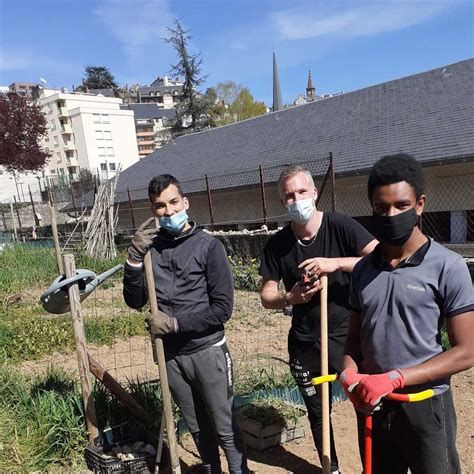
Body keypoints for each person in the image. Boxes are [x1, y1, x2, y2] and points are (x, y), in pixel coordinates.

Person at [341, 153, 474, 473]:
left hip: (425, 404)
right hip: (373, 403)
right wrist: (347, 375)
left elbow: (467, 351)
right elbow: (354, 340)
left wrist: (396, 378)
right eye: (381, 207)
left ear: (420, 205)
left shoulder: (448, 267)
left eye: (401, 205)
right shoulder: (362, 270)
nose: (390, 214)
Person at [123, 174, 249, 474]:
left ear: (185, 202)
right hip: (170, 356)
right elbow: (134, 300)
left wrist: (175, 324)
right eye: (160, 206)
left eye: (173, 202)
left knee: (224, 426)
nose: (168, 211)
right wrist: (134, 261)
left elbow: (222, 309)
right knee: (196, 427)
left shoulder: (208, 247)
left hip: (207, 351)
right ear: (153, 211)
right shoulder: (151, 250)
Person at [259, 165, 377, 473]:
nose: (296, 199)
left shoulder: (340, 226)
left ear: (314, 193)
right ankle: (331, 468)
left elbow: (379, 259)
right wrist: (290, 297)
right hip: (305, 340)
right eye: (288, 195)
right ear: (282, 202)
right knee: (317, 412)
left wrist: (335, 263)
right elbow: (266, 295)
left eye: (301, 192)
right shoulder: (277, 244)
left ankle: (372, 468)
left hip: (347, 336)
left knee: (363, 403)